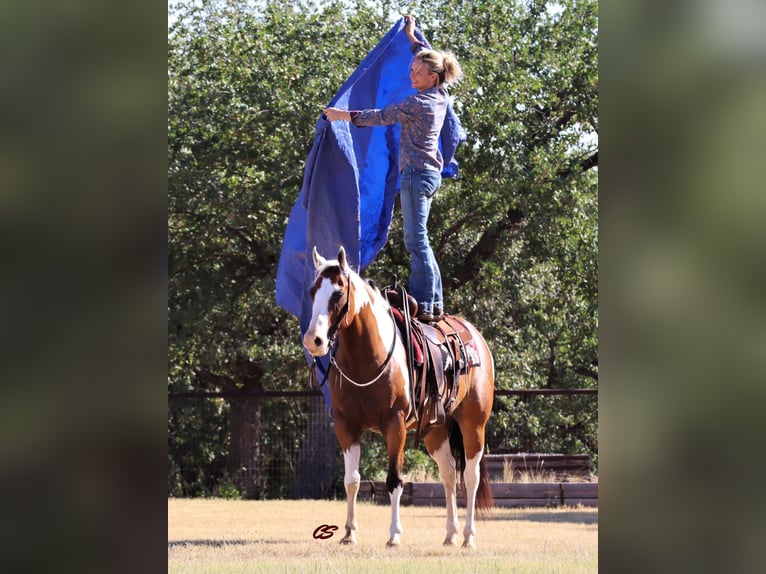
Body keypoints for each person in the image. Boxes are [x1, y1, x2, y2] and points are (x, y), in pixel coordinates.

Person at [324, 15, 464, 323]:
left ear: (433, 77)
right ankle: (434, 300)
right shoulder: (440, 96)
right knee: (419, 238)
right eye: (411, 69)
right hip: (425, 175)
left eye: (417, 72)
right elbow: (425, 53)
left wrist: (340, 115)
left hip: (415, 177)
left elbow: (381, 116)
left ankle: (425, 304)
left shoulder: (420, 104)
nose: (411, 75)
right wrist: (413, 37)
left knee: (416, 240)